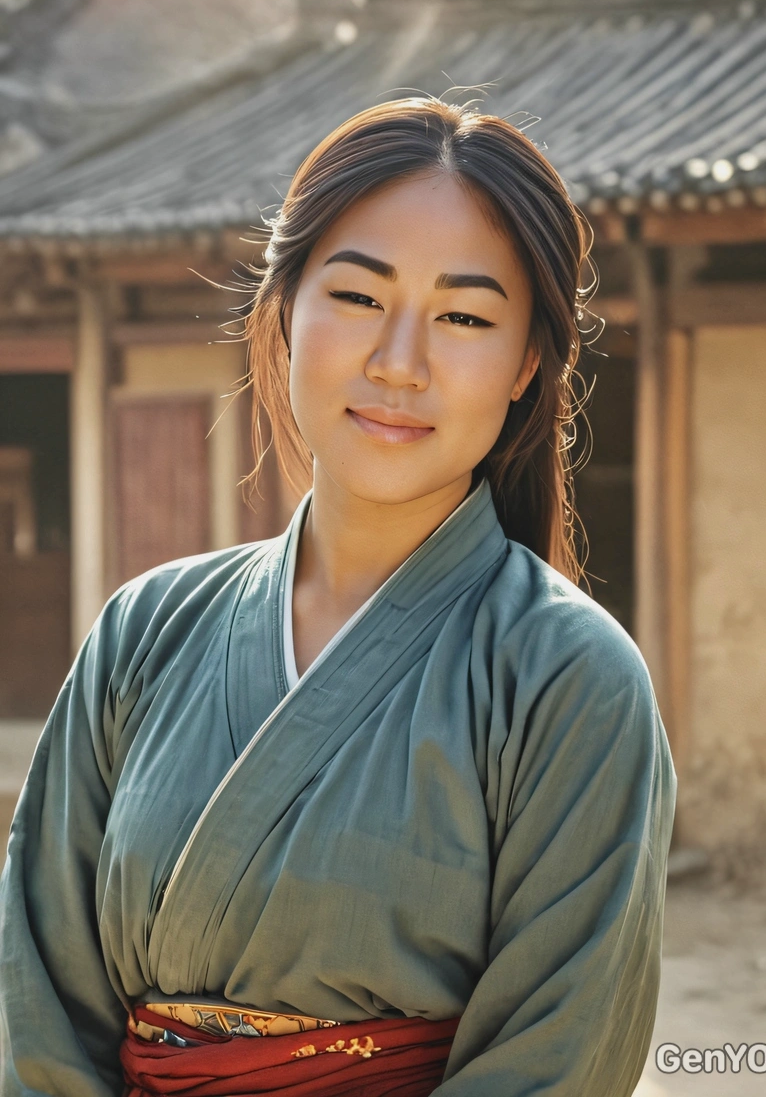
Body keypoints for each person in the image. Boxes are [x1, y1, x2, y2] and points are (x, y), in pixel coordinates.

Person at [0, 98, 676, 1097]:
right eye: (358, 298)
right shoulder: (144, 631)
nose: (398, 362)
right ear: (283, 310)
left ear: (529, 360)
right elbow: (36, 1009)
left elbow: (556, 1063)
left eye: (462, 316)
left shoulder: (567, 678)